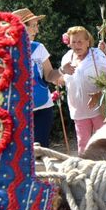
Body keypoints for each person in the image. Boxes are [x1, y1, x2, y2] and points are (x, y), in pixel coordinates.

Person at [11, 8, 65, 146]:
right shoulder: (6, 52)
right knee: (20, 152)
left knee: (40, 150)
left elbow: (48, 76)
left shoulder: (39, 48)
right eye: (33, 26)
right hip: (18, 111)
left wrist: (61, 71)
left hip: (43, 107)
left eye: (37, 25)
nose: (37, 30)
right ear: (22, 28)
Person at [60, 26, 106, 151]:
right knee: (83, 143)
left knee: (103, 141)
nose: (77, 45)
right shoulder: (67, 57)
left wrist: (101, 93)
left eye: (80, 42)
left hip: (99, 108)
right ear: (69, 43)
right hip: (78, 110)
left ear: (88, 42)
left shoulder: (96, 55)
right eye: (73, 42)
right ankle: (85, 168)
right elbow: (62, 79)